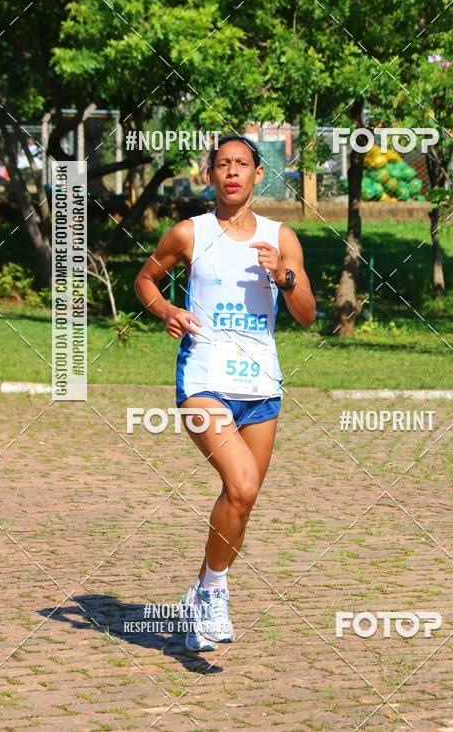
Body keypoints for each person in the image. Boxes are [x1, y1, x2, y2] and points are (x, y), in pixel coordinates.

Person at [134, 135, 316, 651]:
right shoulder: (190, 233)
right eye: (222, 164)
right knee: (239, 484)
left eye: (242, 164)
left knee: (244, 498)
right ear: (209, 174)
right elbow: (146, 280)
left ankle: (198, 600)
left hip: (261, 385)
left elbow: (307, 314)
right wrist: (167, 311)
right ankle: (214, 591)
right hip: (204, 380)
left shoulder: (282, 237)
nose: (232, 172)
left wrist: (281, 274)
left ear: (259, 173)